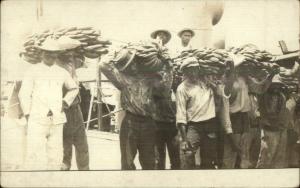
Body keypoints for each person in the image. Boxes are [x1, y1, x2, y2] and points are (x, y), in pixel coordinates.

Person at [18, 37, 79, 170]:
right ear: (41, 53)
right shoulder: (32, 71)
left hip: (57, 119)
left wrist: (65, 102)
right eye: (47, 52)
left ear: (56, 54)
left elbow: (74, 88)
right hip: (37, 118)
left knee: (56, 155)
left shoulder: (61, 72)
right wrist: (28, 113)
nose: (50, 55)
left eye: (53, 52)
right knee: (33, 154)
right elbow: (24, 94)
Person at [99, 48, 163, 170]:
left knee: (150, 162)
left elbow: (164, 89)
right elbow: (103, 64)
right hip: (130, 122)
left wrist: (164, 59)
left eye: (136, 62)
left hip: (148, 123)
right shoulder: (123, 79)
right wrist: (118, 51)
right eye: (130, 63)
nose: (133, 65)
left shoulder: (151, 78)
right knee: (127, 163)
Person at [176, 57, 234, 169]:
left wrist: (230, 70)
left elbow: (225, 91)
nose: (193, 72)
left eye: (195, 69)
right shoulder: (182, 88)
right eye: (190, 70)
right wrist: (184, 138)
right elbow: (181, 114)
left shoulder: (207, 82)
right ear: (185, 71)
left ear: (199, 69)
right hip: (194, 126)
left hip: (210, 125)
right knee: (187, 155)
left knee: (208, 160)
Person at [56, 37, 90, 170]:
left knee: (82, 142)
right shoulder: (56, 65)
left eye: (72, 51)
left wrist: (80, 51)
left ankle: (84, 169)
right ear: (61, 51)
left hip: (76, 107)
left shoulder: (72, 62)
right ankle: (65, 169)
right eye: (68, 51)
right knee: (66, 142)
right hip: (64, 107)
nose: (70, 53)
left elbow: (84, 62)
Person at [256, 75, 290, 168]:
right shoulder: (264, 96)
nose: (276, 87)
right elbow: (265, 111)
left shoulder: (281, 97)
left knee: (278, 156)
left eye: (278, 85)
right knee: (266, 155)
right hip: (268, 129)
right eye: (274, 85)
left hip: (278, 128)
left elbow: (282, 112)